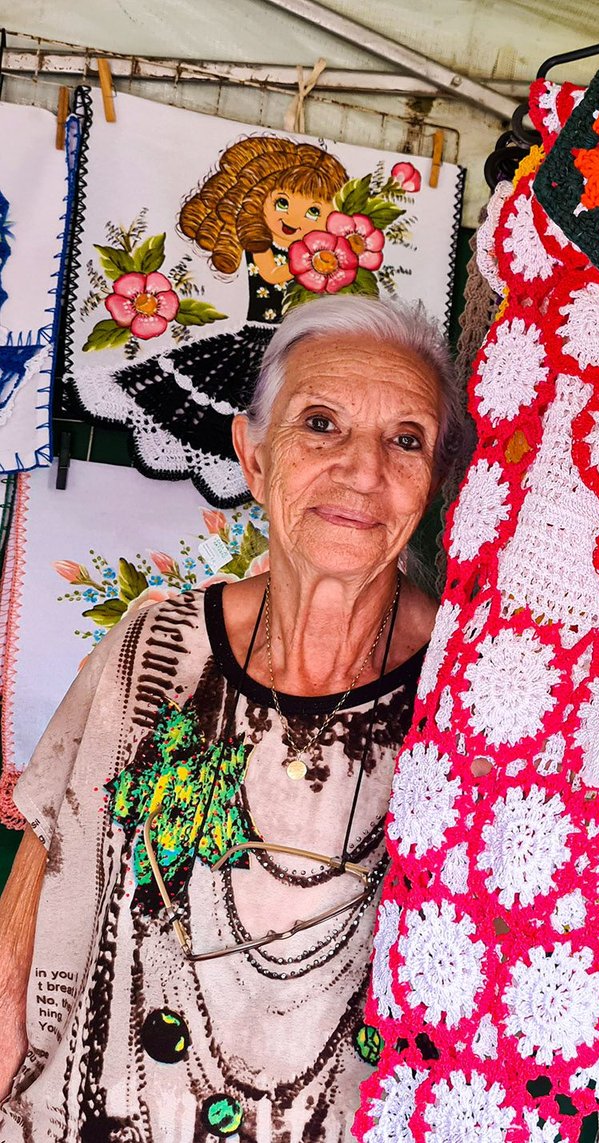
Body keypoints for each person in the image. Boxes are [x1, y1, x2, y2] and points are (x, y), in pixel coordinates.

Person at [0, 294, 466, 1141]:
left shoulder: (465, 688)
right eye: (320, 423)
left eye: (407, 439)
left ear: (432, 482)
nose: (364, 470)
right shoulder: (155, 641)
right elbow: (30, 902)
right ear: (253, 457)